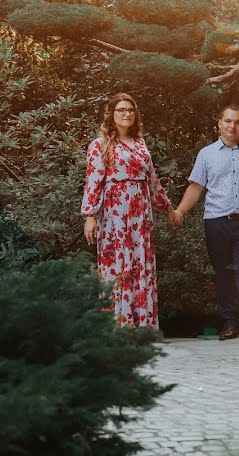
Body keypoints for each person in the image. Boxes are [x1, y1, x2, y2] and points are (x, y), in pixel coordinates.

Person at [172, 104, 239, 345]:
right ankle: (230, 322)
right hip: (215, 223)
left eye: (237, 122)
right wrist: (179, 211)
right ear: (219, 123)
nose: (232, 126)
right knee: (223, 274)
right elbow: (196, 187)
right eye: (228, 121)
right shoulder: (207, 154)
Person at [81, 93, 180, 328]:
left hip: (141, 213)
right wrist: (90, 216)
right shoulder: (99, 145)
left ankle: (142, 324)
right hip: (115, 211)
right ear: (112, 115)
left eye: (130, 110)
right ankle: (117, 325)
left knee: (140, 263)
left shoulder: (140, 144)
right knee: (117, 264)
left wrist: (167, 207)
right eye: (121, 110)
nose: (127, 114)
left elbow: (152, 180)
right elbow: (93, 181)